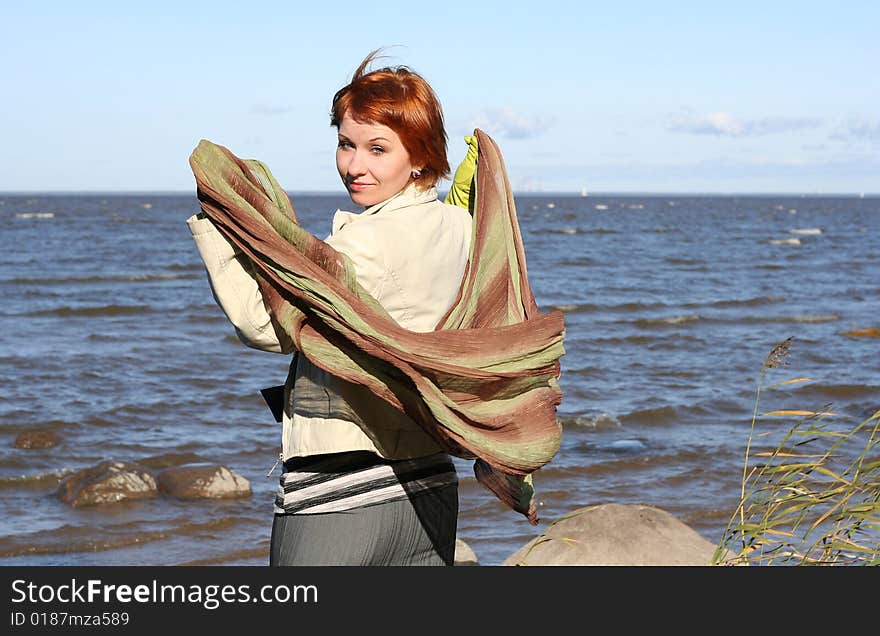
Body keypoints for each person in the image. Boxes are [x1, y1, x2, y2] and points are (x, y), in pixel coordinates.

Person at [187, 50, 477, 566]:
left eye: (377, 148)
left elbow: (265, 326)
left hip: (341, 494)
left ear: (420, 155)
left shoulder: (366, 244)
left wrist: (222, 223)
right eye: (346, 143)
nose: (354, 165)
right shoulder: (463, 228)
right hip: (431, 482)